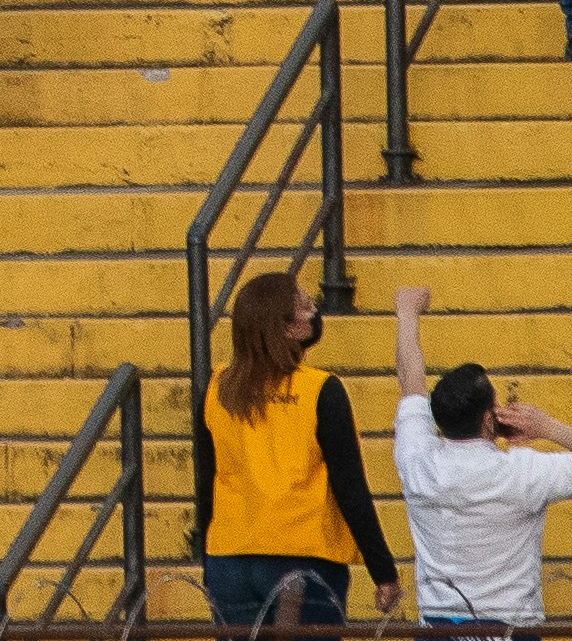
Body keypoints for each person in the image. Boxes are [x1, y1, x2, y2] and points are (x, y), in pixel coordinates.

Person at [195, 267, 402, 628]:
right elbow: (350, 486)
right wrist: (383, 571)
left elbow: (206, 482)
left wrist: (209, 556)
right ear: (287, 329)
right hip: (303, 556)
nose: (314, 313)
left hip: (229, 556)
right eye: (305, 306)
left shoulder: (217, 387)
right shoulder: (321, 389)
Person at [387, 282, 572, 625]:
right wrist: (548, 428)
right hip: (509, 628)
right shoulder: (523, 471)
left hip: (439, 629)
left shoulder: (419, 462)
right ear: (489, 418)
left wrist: (407, 313)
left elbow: (410, 382)